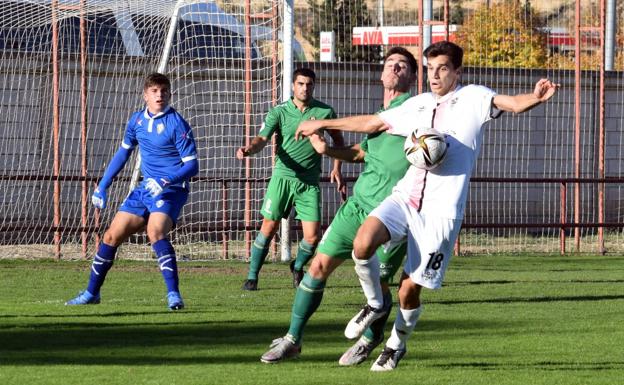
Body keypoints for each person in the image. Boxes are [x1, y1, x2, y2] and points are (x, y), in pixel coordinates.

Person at [293, 41, 559, 371]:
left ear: (457, 72)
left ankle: (395, 344)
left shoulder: (474, 98)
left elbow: (513, 103)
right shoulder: (418, 105)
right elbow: (373, 124)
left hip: (440, 214)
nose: (434, 75)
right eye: (430, 68)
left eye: (442, 68)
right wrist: (323, 124)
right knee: (362, 243)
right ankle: (375, 304)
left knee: (408, 291)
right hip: (405, 198)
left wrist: (535, 97)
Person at [259, 47, 417, 365]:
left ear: (413, 77)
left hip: (392, 215)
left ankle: (370, 339)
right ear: (382, 73)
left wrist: (320, 124)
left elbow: (371, 125)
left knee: (380, 287)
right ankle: (292, 339)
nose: (396, 68)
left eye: (404, 65)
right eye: (390, 64)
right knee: (317, 267)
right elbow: (360, 152)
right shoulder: (381, 115)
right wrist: (327, 150)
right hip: (357, 207)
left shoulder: (413, 110)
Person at [66, 72, 199, 311]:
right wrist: (103, 186)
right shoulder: (136, 121)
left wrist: (166, 180)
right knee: (110, 236)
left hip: (171, 190)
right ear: (145, 95)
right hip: (145, 189)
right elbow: (123, 153)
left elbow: (192, 165)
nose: (160, 95)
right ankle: (91, 293)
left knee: (155, 231)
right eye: (155, 91)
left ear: (169, 94)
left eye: (164, 91)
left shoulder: (177, 124)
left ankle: (174, 296)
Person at [237, 68, 344, 291]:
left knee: (313, 237)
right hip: (282, 178)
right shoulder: (279, 112)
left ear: (313, 86)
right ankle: (252, 276)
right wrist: (249, 149)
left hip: (309, 182)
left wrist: (337, 168)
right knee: (268, 227)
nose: (305, 88)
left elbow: (338, 141)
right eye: (301, 84)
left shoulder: (325, 112)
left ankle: (297, 266)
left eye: (309, 84)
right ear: (293, 86)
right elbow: (261, 138)